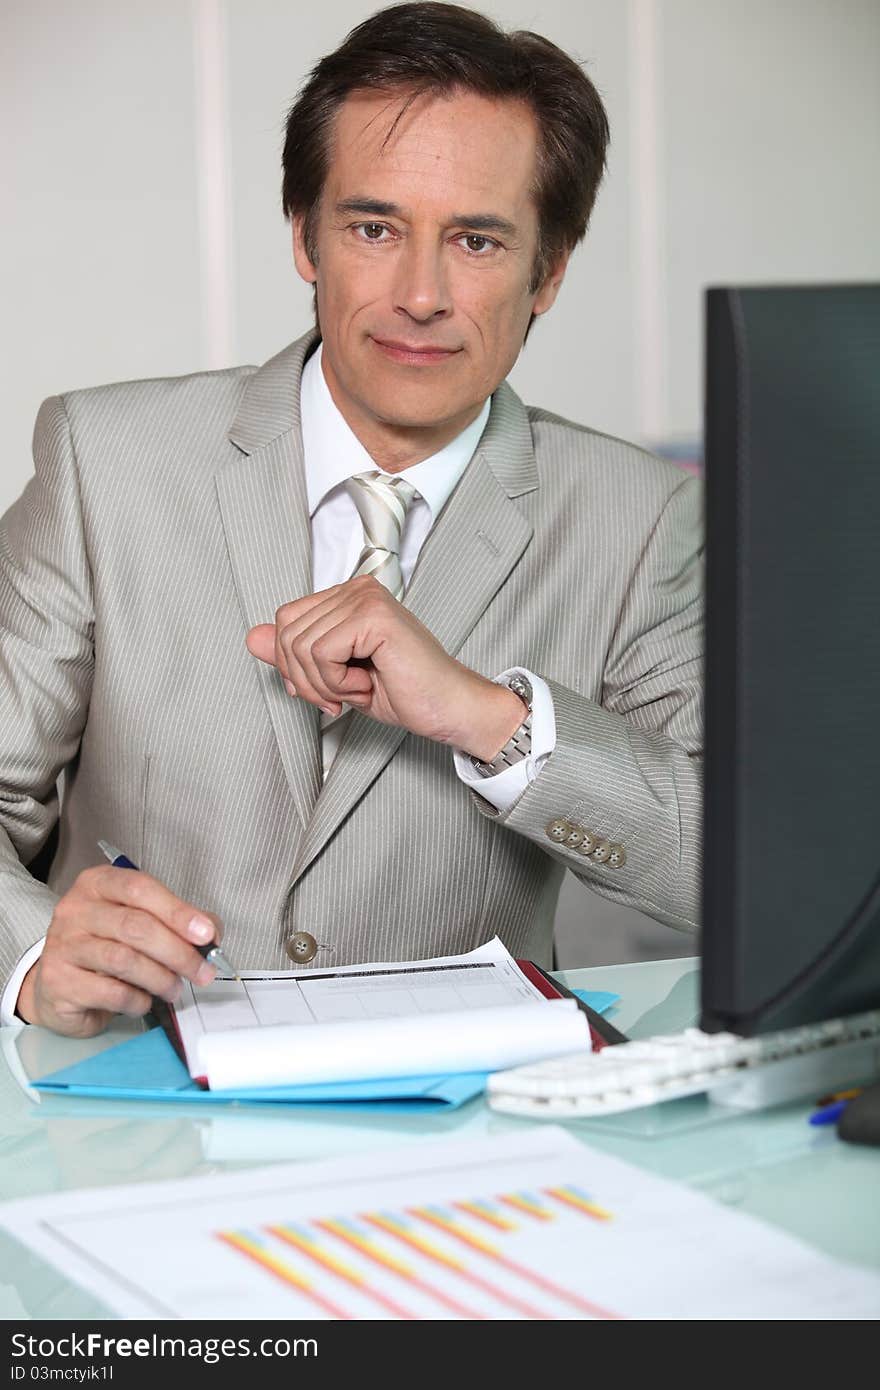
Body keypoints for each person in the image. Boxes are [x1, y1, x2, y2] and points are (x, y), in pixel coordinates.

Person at [0, 2, 703, 1038]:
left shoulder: (643, 520)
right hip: (133, 1122)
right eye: (373, 228)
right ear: (304, 237)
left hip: (467, 1138)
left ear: (548, 271)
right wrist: (30, 958)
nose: (418, 294)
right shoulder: (102, 459)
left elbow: (726, 871)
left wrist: (487, 716)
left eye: (474, 239)